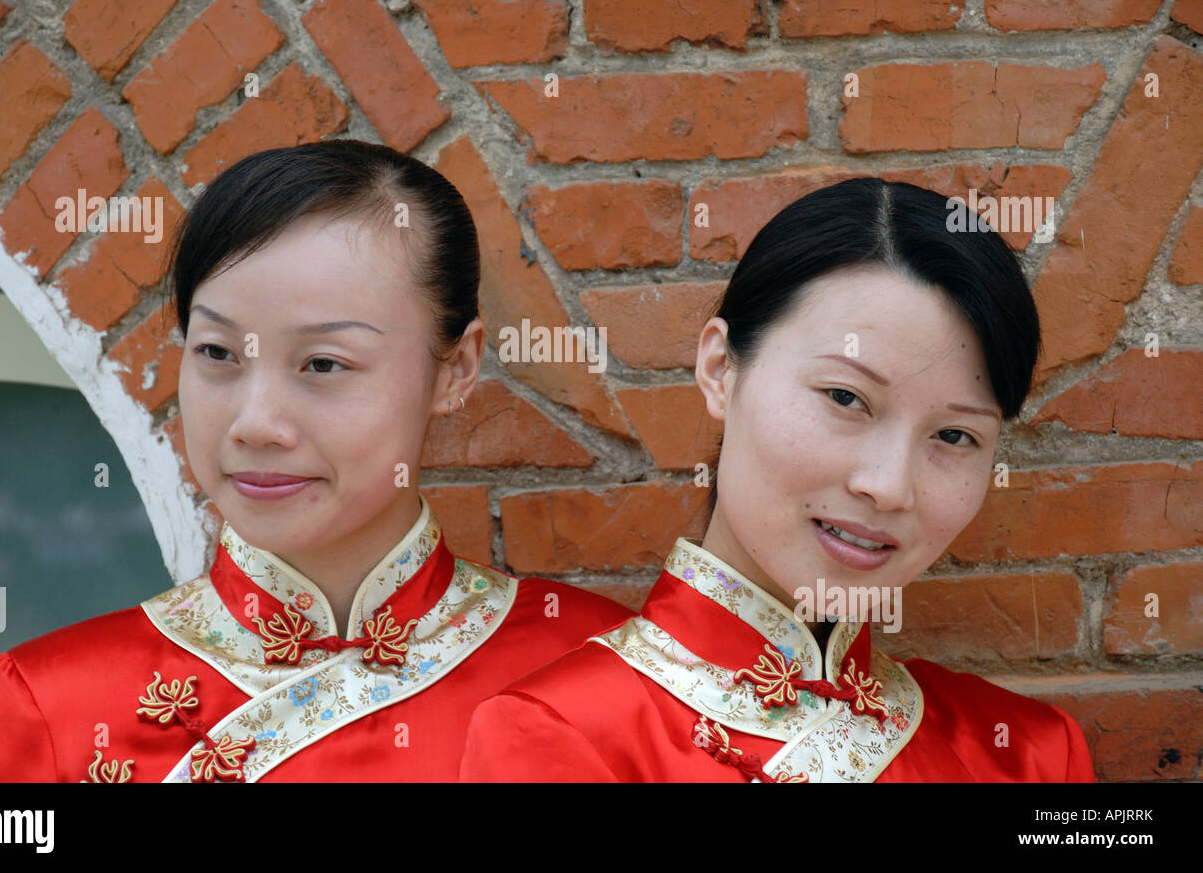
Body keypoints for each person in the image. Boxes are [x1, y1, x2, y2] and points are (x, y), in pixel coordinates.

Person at [0, 139, 630, 782]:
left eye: (322, 364)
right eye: (218, 353)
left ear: (455, 369)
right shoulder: (52, 704)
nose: (256, 424)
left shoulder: (601, 672)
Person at [460, 177, 1097, 782]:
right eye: (846, 398)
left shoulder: (1031, 753)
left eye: (954, 436)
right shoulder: (564, 735)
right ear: (719, 367)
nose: (889, 486)